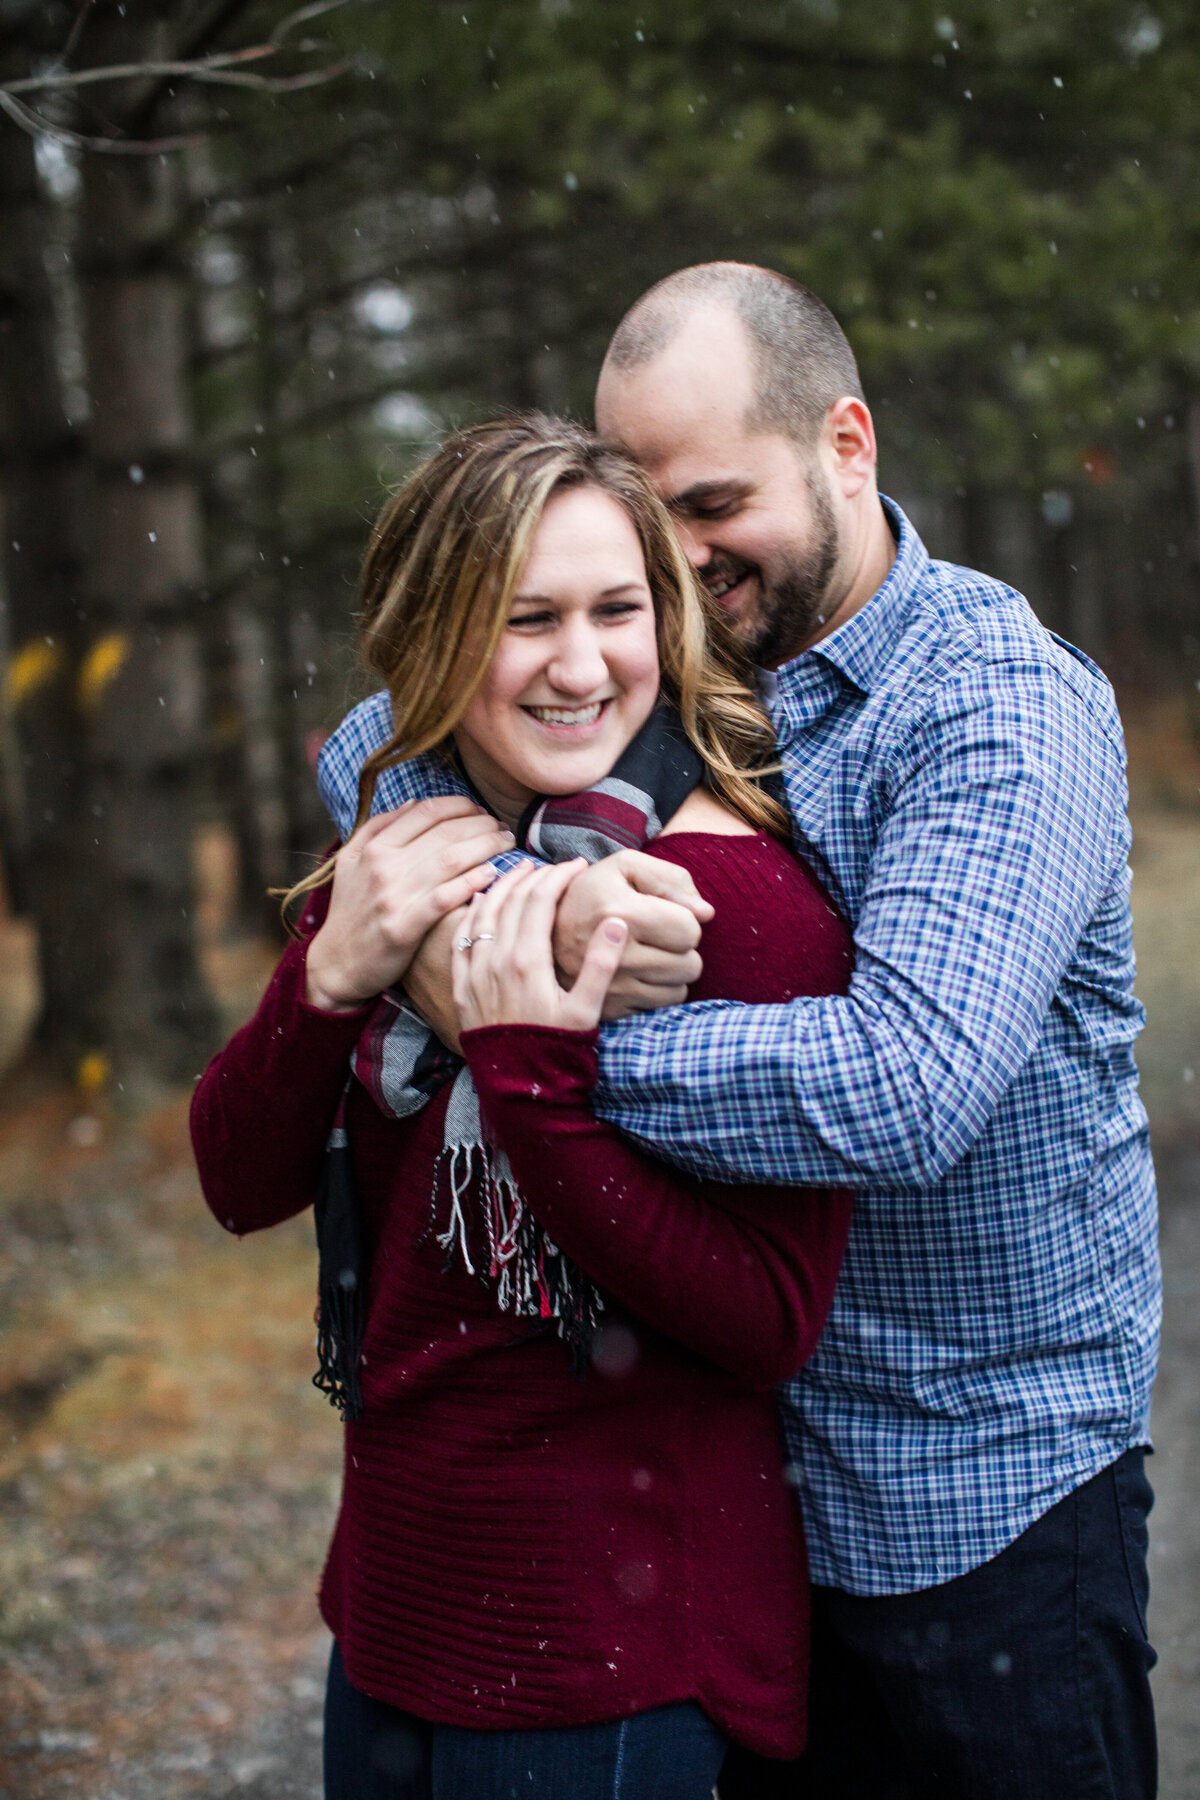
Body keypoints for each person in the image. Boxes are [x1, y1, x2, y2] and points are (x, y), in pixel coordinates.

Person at [321, 265, 1162, 1800]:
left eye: (712, 504)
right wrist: (498, 917)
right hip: (727, 1507)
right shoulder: (655, 662)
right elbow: (367, 751)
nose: (673, 557)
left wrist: (531, 1032)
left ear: (848, 444)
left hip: (973, 1500)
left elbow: (905, 1088)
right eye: (644, 515)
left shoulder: (998, 703)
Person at [191, 415, 856, 1800]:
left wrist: (530, 1078)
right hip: (393, 1607)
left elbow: (768, 1321)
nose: (580, 665)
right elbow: (237, 1178)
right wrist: (329, 977)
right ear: (434, 638)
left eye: (618, 611)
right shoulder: (404, 858)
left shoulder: (722, 905)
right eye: (523, 619)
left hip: (612, 1645)